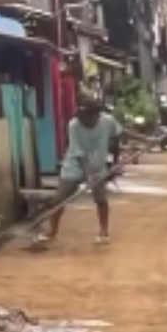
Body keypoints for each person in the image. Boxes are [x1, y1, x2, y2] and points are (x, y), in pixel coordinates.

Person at [33, 96, 122, 248]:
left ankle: (104, 231)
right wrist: (88, 176)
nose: (85, 120)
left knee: (101, 200)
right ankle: (52, 231)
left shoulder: (107, 121)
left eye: (88, 117)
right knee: (59, 199)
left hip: (98, 165)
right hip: (74, 164)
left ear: (96, 115)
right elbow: (78, 152)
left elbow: (118, 135)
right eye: (82, 117)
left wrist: (116, 161)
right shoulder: (74, 125)